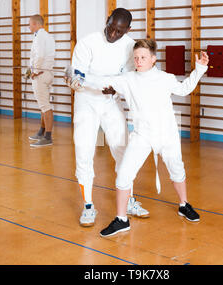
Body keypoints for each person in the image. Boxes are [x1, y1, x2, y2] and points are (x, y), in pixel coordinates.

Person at [69, 39, 210, 237]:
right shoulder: (127, 79)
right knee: (124, 175)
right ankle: (121, 219)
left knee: (177, 169)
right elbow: (102, 81)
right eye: (136, 57)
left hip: (167, 134)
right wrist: (79, 77)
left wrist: (200, 69)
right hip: (142, 136)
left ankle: (184, 204)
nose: (138, 61)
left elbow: (185, 88)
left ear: (153, 59)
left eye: (143, 57)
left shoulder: (165, 78)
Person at [67, 8, 149, 227]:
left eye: (119, 31)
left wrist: (117, 90)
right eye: (111, 28)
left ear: (128, 30)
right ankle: (88, 206)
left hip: (111, 103)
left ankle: (129, 200)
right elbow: (75, 77)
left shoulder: (131, 46)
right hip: (86, 102)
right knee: (84, 151)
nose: (113, 34)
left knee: (122, 150)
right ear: (107, 21)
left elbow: (131, 77)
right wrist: (92, 85)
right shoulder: (87, 43)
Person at [28, 14, 56, 147]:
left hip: (40, 74)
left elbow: (39, 56)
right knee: (43, 105)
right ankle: (42, 131)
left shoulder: (40, 37)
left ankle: (48, 137)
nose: (29, 26)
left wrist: (34, 72)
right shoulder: (48, 36)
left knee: (45, 106)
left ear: (36, 24)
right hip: (48, 73)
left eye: (30, 24)